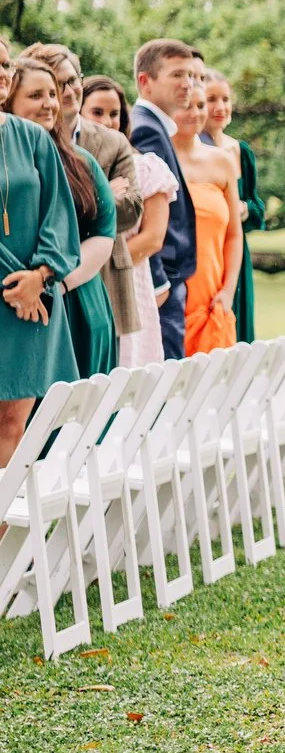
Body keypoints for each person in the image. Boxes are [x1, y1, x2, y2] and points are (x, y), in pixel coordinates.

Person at [11, 49, 118, 377]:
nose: (50, 103)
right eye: (35, 95)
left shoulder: (81, 161)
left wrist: (55, 282)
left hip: (81, 302)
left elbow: (105, 231)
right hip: (18, 304)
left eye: (52, 94)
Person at [0, 52, 83, 459]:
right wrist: (16, 281)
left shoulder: (32, 138)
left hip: (33, 306)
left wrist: (40, 277)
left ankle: (3, 524)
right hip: (17, 294)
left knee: (14, 427)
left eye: (5, 64)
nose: (2, 73)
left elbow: (59, 214)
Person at [82, 78, 174, 367]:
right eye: (97, 112)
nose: (108, 121)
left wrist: (103, 264)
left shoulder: (143, 166)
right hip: (83, 278)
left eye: (114, 113)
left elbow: (153, 237)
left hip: (131, 279)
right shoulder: (70, 165)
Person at [126, 41, 199, 361]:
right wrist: (159, 284)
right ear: (145, 81)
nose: (188, 84)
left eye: (192, 76)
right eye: (177, 74)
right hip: (161, 283)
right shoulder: (145, 131)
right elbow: (147, 217)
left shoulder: (158, 127)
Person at [174, 77, 243, 356]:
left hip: (213, 300)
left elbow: (234, 234)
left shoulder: (222, 161)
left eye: (200, 105)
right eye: (186, 105)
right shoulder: (151, 159)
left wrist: (228, 291)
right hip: (173, 299)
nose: (196, 112)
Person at [200, 69, 262, 342]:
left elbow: (258, 207)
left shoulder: (240, 151)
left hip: (236, 249)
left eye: (225, 99)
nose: (220, 107)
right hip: (206, 253)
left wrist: (243, 209)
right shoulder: (190, 152)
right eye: (211, 99)